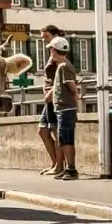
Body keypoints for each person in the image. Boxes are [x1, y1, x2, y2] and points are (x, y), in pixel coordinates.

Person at [46, 38, 79, 180]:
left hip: (65, 109)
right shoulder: (65, 66)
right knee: (63, 139)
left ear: (54, 50)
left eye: (51, 50)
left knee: (66, 140)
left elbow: (72, 88)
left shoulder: (63, 67)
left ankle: (71, 169)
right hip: (64, 109)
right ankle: (68, 168)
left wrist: (74, 106)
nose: (50, 52)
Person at [34, 25, 64, 174]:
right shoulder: (51, 53)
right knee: (42, 131)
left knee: (54, 130)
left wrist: (51, 92)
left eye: (46, 37)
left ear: (55, 35)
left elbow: (61, 74)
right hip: (48, 99)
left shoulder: (58, 53)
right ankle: (54, 163)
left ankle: (59, 167)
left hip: (54, 97)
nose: (43, 40)